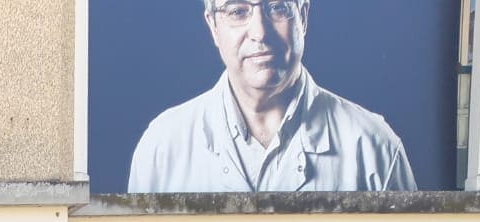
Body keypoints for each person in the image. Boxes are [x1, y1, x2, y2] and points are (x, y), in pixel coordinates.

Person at [128, 0, 415, 193]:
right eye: (238, 11)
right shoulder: (162, 147)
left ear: (303, 16)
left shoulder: (374, 147)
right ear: (213, 26)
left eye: (277, 7)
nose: (260, 32)